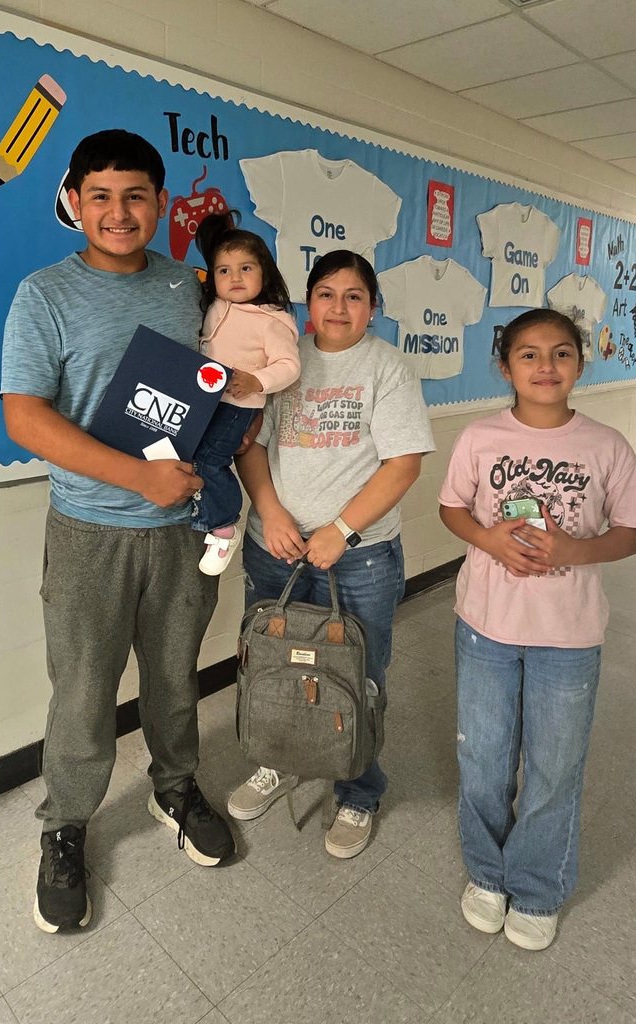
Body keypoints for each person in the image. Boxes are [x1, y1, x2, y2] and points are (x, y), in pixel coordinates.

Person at [1, 129, 236, 935]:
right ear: (74, 202)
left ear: (160, 204)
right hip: (89, 531)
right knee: (83, 689)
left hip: (183, 532)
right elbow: (24, 416)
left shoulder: (191, 287)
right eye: (99, 195)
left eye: (135, 195)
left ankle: (176, 785)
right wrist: (137, 475)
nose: (118, 211)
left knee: (175, 675)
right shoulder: (44, 295)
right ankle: (65, 824)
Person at [438, 307, 636, 950]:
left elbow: (634, 531)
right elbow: (452, 509)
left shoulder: (606, 445)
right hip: (486, 626)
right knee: (483, 757)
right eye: (528, 354)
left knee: (556, 766)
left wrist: (573, 551)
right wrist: (489, 540)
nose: (545, 366)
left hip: (570, 632)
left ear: (581, 364)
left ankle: (536, 887)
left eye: (561, 353)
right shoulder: (479, 436)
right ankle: (486, 873)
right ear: (505, 367)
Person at [227, 250, 435, 858]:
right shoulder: (280, 363)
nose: (338, 307)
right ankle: (278, 761)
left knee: (357, 677)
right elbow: (250, 446)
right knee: (270, 663)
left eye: (353, 296)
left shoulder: (387, 368)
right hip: (276, 546)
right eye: (325, 293)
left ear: (373, 307)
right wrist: (269, 511)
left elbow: (403, 464)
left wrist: (340, 529)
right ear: (306, 302)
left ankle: (358, 790)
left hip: (359, 555)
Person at [191, 211, 300, 575]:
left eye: (245, 269)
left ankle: (222, 525)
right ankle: (207, 512)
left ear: (264, 273)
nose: (234, 278)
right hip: (205, 399)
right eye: (224, 270)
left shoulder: (271, 320)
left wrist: (257, 381)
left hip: (237, 405)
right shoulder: (215, 306)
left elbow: (289, 365)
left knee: (210, 460)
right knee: (192, 456)